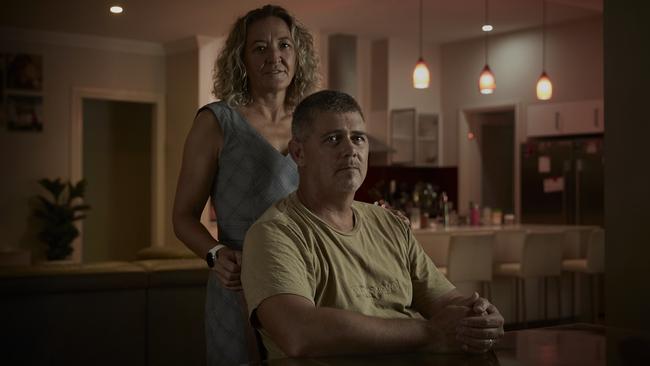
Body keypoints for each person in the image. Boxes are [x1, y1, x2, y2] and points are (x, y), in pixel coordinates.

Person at [241, 90, 505, 359]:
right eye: (333, 139)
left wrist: (477, 316)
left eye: (358, 138)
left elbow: (445, 301)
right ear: (298, 153)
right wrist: (431, 334)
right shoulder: (274, 233)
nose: (350, 150)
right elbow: (299, 332)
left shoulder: (390, 224)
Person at [172, 5, 319, 366]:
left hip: (309, 281)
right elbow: (183, 217)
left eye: (284, 45)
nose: (275, 56)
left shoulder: (313, 121)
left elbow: (330, 205)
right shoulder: (216, 122)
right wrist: (215, 254)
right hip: (238, 285)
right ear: (242, 58)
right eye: (260, 47)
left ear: (297, 54)